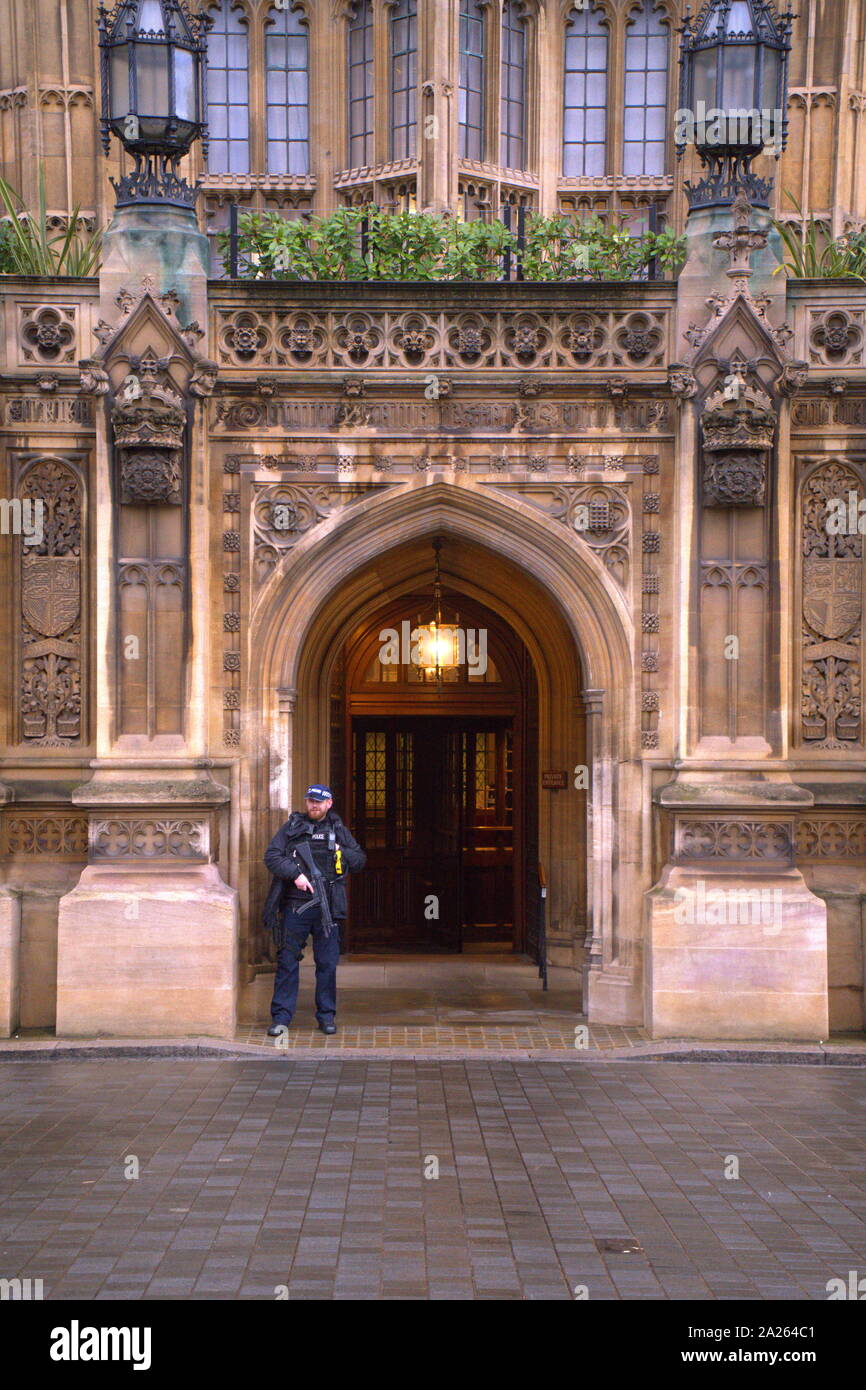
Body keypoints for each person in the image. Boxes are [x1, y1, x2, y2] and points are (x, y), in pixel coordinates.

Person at [261, 784, 366, 1036]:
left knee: (327, 964)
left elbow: (359, 860)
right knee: (287, 961)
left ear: (329, 803)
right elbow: (272, 856)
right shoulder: (292, 827)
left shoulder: (337, 830)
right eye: (310, 801)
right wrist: (295, 874)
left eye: (319, 802)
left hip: (328, 906)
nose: (314, 805)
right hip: (297, 905)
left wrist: (340, 850)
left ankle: (326, 1016)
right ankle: (281, 1018)